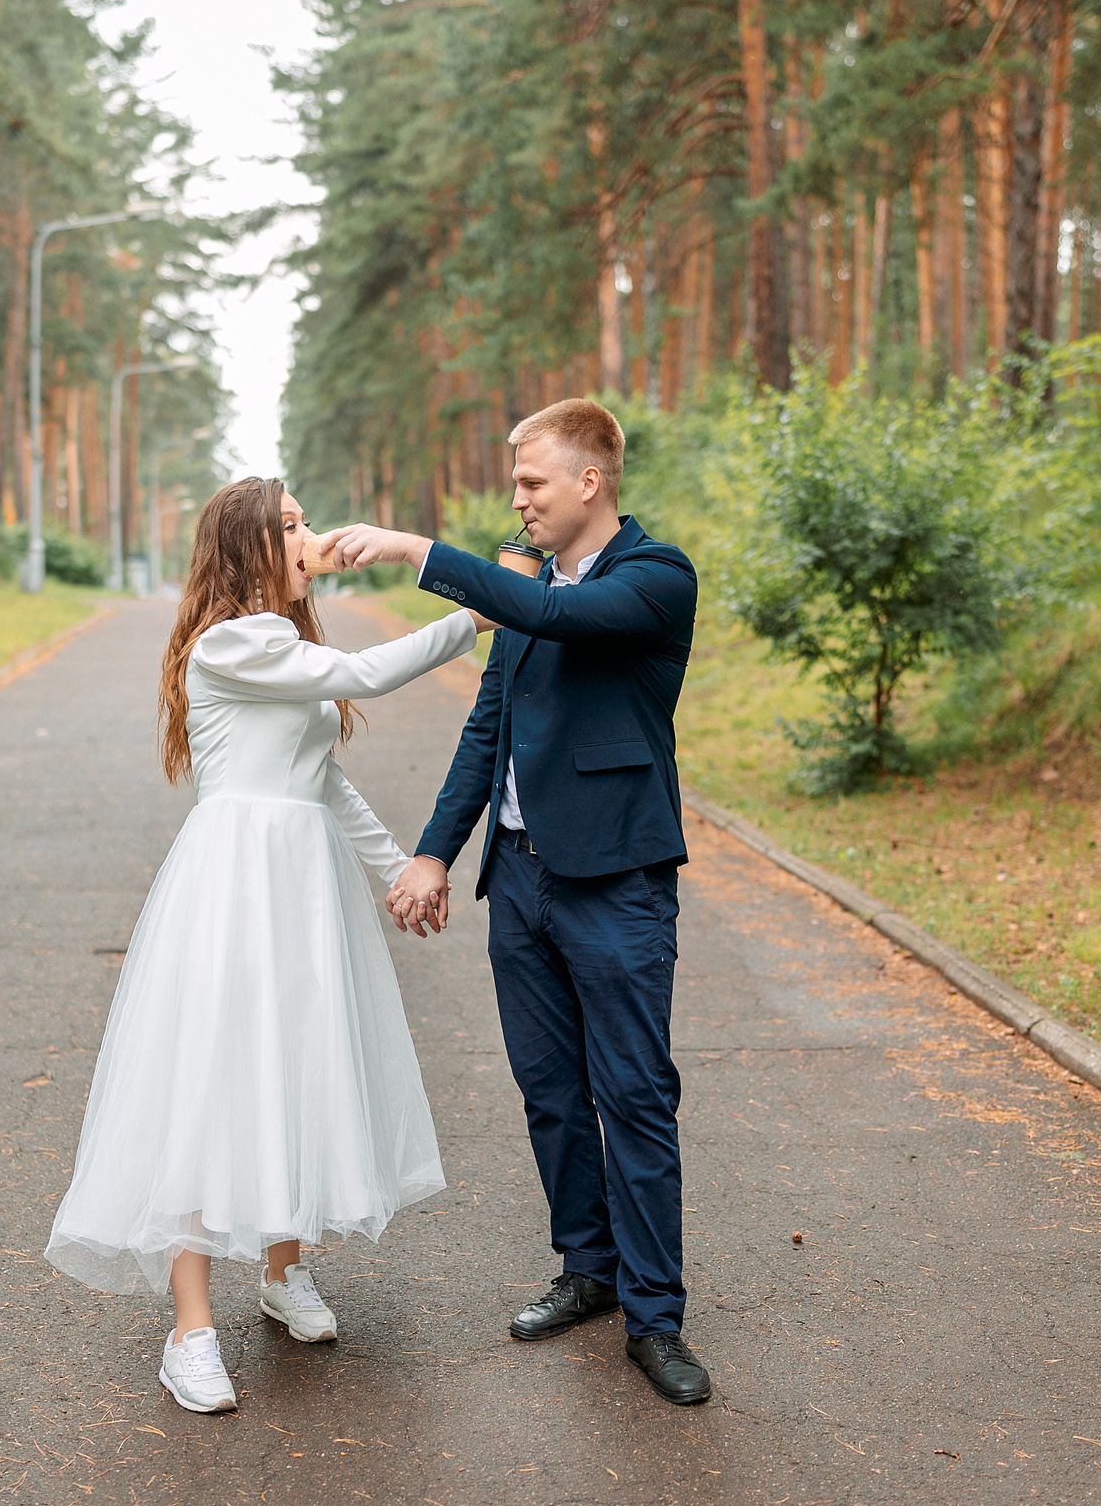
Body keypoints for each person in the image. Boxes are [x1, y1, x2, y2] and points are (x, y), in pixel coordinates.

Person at [44, 476, 486, 1415]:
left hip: (302, 879)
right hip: (234, 881)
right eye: (291, 527)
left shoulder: (286, 642)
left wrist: (397, 866)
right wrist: (480, 608)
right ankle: (191, 1331)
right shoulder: (236, 641)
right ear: (246, 547)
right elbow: (370, 676)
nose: (312, 538)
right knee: (211, 1079)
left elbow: (322, 780)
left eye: (308, 522)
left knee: (293, 1061)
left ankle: (285, 1274)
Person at [331, 397, 708, 1406]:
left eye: (533, 483)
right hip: (524, 881)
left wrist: (420, 551)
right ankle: (587, 1268)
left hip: (617, 881)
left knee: (630, 1094)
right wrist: (432, 852)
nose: (520, 501)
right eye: (516, 487)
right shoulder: (527, 589)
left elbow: (559, 617)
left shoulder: (653, 578)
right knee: (549, 1094)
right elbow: (486, 727)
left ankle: (656, 1316)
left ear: (591, 481)